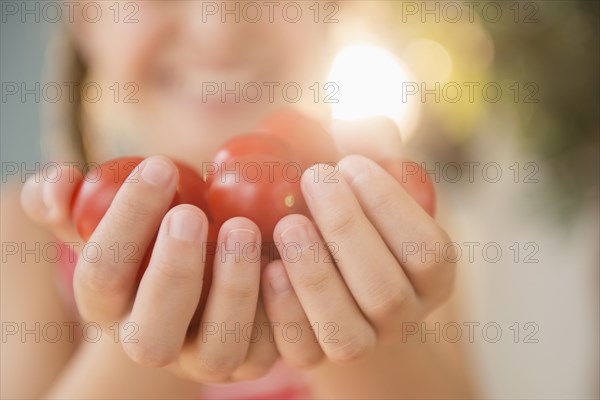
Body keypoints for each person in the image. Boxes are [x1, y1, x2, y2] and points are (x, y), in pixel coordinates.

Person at [2, 2, 474, 398]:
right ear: (84, 13)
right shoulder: (20, 239)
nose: (217, 29)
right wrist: (153, 344)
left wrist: (368, 329)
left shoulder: (386, 215)